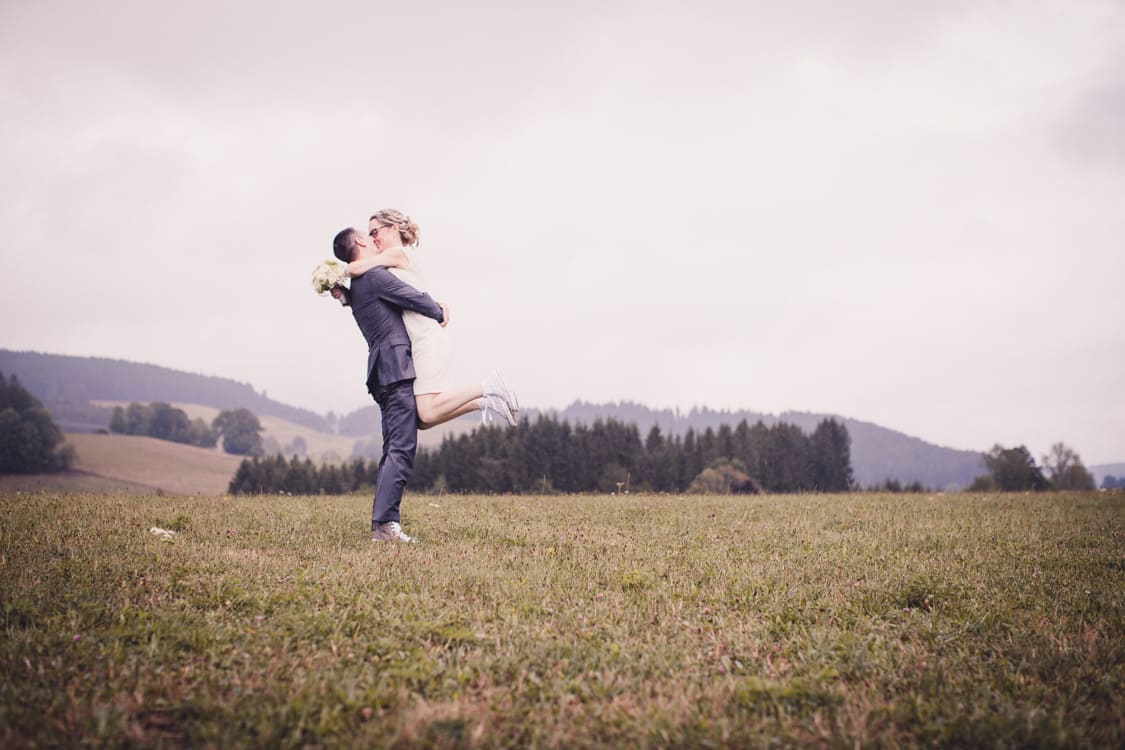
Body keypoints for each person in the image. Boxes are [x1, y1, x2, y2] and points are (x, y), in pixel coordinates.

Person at [345, 209, 518, 430]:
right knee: (421, 420)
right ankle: (484, 402)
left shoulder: (397, 253)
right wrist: (345, 296)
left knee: (427, 412)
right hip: (419, 340)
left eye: (375, 232)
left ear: (394, 229)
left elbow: (355, 268)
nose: (372, 238)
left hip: (426, 338)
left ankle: (488, 386)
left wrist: (336, 274)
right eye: (370, 234)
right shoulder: (388, 264)